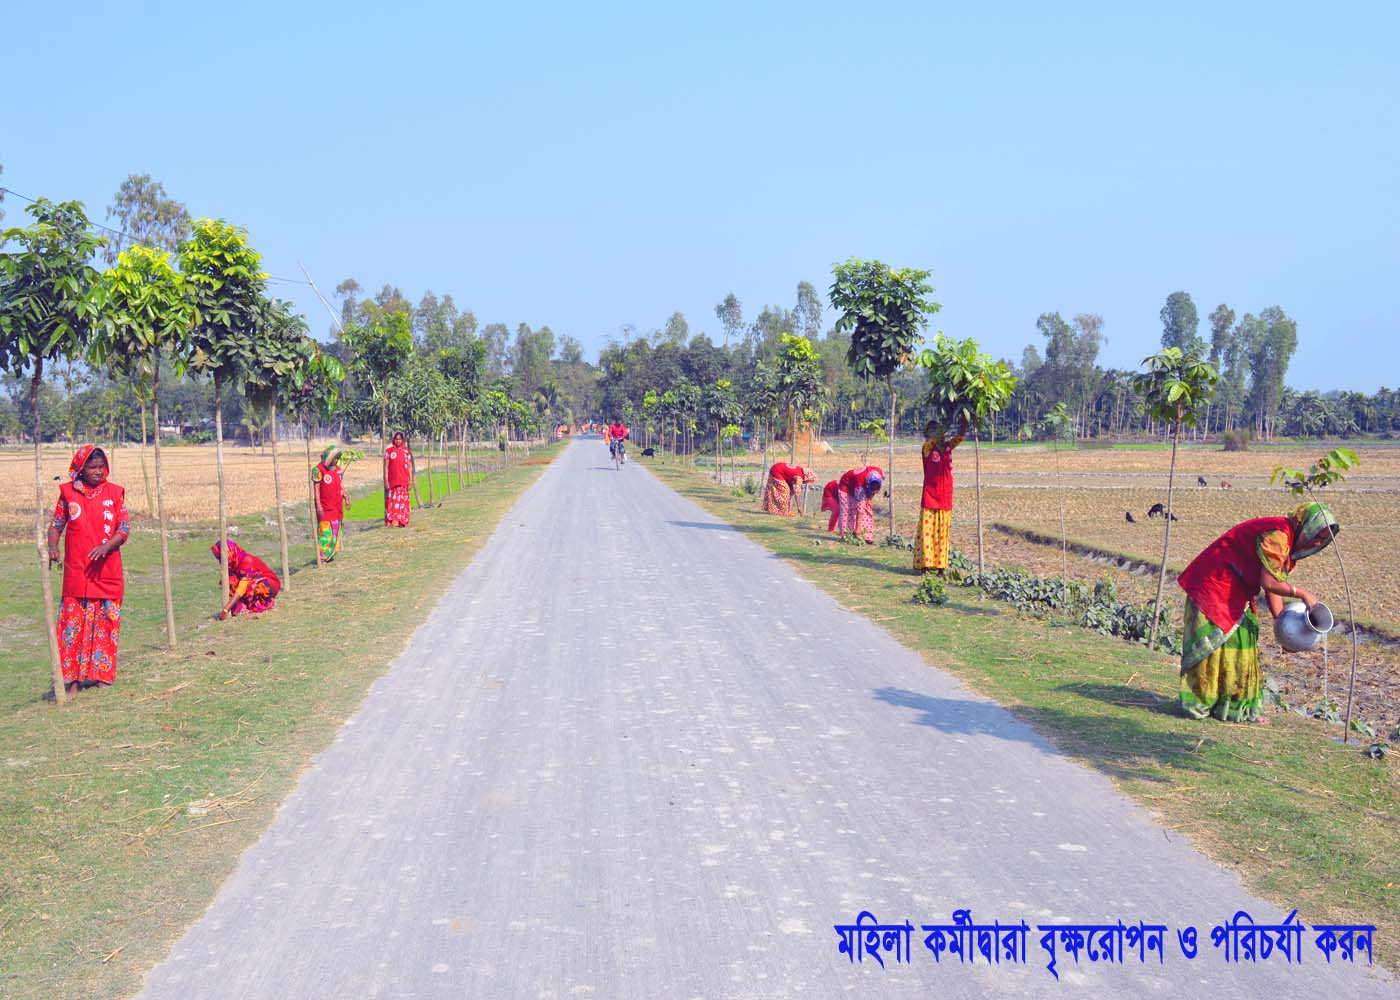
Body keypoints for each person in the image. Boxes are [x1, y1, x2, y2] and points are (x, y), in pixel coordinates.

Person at [1175, 501, 1336, 723]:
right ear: (1305, 526)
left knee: (1244, 643)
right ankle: (1199, 703)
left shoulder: (1286, 541)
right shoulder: (1277, 536)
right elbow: (1269, 582)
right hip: (1215, 581)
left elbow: (1274, 585)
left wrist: (1284, 629)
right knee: (1215, 646)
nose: (1317, 542)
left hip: (1237, 587)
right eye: (1317, 534)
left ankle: (1234, 707)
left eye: (1322, 539)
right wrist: (1302, 594)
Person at [46, 446, 128, 694]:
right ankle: (71, 681)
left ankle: (102, 675)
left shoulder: (114, 494)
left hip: (107, 572)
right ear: (81, 470)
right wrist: (52, 546)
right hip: (77, 573)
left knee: (106, 622)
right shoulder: (68, 494)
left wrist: (106, 546)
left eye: (101, 467)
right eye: (92, 467)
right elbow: (55, 525)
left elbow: (123, 528)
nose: (98, 472)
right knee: (72, 627)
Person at [915, 419, 966, 573]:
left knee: (942, 533)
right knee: (927, 531)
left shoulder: (948, 447)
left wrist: (963, 420)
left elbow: (960, 436)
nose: (939, 435)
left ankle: (940, 566)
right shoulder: (927, 449)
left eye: (939, 431)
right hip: (930, 496)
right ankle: (925, 564)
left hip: (945, 497)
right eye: (935, 431)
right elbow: (932, 441)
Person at [212, 540, 281, 618]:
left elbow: (242, 587)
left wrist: (226, 609)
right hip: (250, 583)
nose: (221, 561)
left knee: (253, 585)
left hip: (270, 584)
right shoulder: (233, 565)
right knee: (229, 581)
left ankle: (261, 604)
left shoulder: (247, 560)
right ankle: (242, 606)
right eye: (219, 558)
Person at [831, 465, 884, 543]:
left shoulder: (880, 474)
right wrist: (857, 527)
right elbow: (860, 508)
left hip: (861, 486)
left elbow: (875, 489)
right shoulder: (860, 486)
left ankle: (866, 536)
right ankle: (847, 535)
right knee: (848, 511)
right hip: (846, 487)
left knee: (867, 509)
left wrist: (869, 499)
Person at [313, 445, 346, 562]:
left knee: (336, 530)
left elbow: (341, 485)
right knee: (325, 531)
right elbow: (316, 489)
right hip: (325, 506)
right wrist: (318, 505)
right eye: (334, 458)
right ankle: (323, 557)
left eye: (337, 458)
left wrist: (346, 498)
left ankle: (330, 556)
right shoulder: (318, 470)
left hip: (336, 506)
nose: (336, 460)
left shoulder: (338, 470)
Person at [384, 432, 414, 528]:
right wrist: (386, 480)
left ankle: (403, 520)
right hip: (393, 482)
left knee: (402, 501)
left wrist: (411, 480)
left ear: (402, 440)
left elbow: (409, 466)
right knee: (392, 501)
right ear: (394, 440)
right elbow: (386, 467)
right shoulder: (389, 451)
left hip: (403, 481)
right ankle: (392, 520)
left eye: (400, 439)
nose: (398, 441)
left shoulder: (406, 452)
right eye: (396, 439)